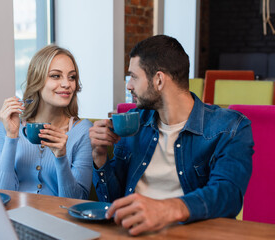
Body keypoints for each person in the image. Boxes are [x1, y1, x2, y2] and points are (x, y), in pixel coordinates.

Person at [89, 35, 254, 235]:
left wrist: (166, 208)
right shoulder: (133, 122)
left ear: (159, 80)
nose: (129, 85)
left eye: (134, 76)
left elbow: (228, 195)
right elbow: (113, 202)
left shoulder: (230, 127)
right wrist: (100, 157)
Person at [0, 45, 93, 199]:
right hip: (15, 217)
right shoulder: (9, 126)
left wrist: (61, 157)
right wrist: (11, 136)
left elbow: (76, 201)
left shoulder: (83, 131)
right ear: (37, 80)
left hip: (57, 218)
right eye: (56, 76)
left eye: (72, 77)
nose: (67, 84)